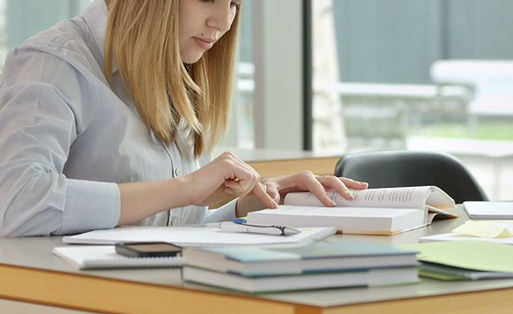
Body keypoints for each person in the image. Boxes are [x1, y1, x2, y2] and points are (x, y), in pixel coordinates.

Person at [0, 0, 367, 237]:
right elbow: (15, 206)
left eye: (235, 3)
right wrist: (184, 189)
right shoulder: (52, 65)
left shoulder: (175, 72)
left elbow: (160, 227)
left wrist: (247, 207)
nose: (223, 21)